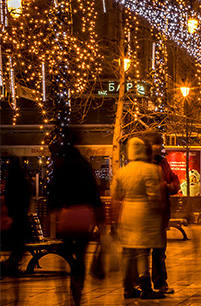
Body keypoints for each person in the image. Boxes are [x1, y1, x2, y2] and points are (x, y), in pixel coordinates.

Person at [47, 130, 105, 305]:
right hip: (83, 217)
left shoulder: (62, 166)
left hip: (66, 216)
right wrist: (100, 218)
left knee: (65, 255)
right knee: (81, 255)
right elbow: (93, 193)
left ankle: (65, 288)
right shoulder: (84, 165)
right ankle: (77, 291)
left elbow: (54, 192)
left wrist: (53, 211)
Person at [111, 137, 165, 300]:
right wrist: (159, 213)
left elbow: (115, 195)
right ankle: (146, 287)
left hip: (127, 213)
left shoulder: (122, 171)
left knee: (127, 252)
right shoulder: (151, 170)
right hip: (144, 213)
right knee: (143, 252)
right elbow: (154, 197)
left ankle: (128, 287)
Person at [142, 130, 180, 294]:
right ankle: (142, 283)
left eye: (160, 143)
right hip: (147, 213)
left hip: (162, 212)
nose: (159, 147)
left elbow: (173, 178)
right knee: (145, 250)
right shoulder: (143, 164)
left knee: (160, 251)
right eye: (156, 143)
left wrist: (172, 185)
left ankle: (160, 282)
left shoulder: (162, 161)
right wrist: (165, 185)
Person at [1, 157, 31, 276]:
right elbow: (27, 197)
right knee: (20, 243)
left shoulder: (10, 182)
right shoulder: (23, 181)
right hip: (21, 220)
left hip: (14, 220)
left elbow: (8, 199)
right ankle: (12, 263)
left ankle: (11, 264)